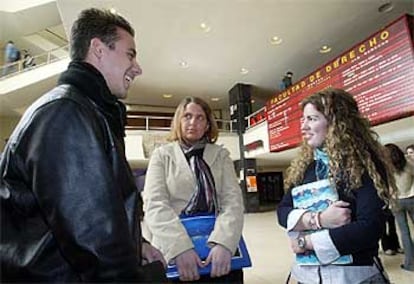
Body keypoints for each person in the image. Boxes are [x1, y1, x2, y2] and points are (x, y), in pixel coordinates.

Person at [0, 8, 167, 282]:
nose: (138, 67)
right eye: (130, 54)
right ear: (98, 49)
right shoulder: (66, 114)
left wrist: (138, 246)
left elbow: (100, 215)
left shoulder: (87, 112)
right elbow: (94, 241)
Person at [277, 88, 396, 284]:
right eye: (304, 119)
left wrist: (306, 242)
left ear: (336, 123)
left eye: (312, 118)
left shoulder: (364, 164)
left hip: (353, 276)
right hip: (307, 276)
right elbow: (282, 211)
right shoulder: (306, 166)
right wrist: (318, 220)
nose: (303, 127)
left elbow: (370, 228)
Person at [143, 96, 244, 282]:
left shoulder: (221, 155)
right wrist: (181, 247)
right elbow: (154, 205)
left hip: (218, 252)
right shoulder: (161, 156)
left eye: (200, 118)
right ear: (178, 121)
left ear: (207, 125)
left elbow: (233, 202)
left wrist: (223, 243)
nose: (193, 122)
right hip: (174, 252)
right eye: (187, 116)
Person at [384, 143, 414, 271]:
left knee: (405, 232)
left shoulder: (386, 167)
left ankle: (410, 264)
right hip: (411, 198)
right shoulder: (408, 163)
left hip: (396, 201)